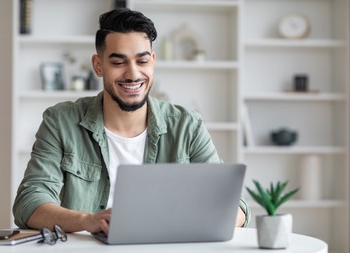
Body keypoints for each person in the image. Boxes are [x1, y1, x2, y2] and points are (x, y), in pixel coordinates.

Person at [13, 8, 250, 234]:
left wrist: (193, 222)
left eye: (142, 61)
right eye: (118, 62)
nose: (133, 74)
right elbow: (30, 203)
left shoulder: (187, 126)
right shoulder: (60, 122)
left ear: (153, 61)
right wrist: (89, 221)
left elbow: (234, 205)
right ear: (98, 65)